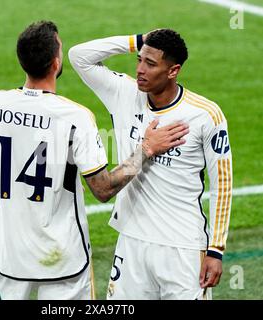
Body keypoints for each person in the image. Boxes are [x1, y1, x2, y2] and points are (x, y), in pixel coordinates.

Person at [0, 21, 189, 300]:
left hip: (8, 253)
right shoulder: (74, 116)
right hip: (63, 259)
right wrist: (144, 150)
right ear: (55, 63)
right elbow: (103, 189)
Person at [69, 29, 233, 300]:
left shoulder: (205, 115)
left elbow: (223, 185)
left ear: (173, 71)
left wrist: (216, 250)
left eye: (151, 64)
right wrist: (138, 40)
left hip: (182, 247)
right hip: (131, 240)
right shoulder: (124, 93)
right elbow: (79, 56)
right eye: (139, 60)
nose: (140, 70)